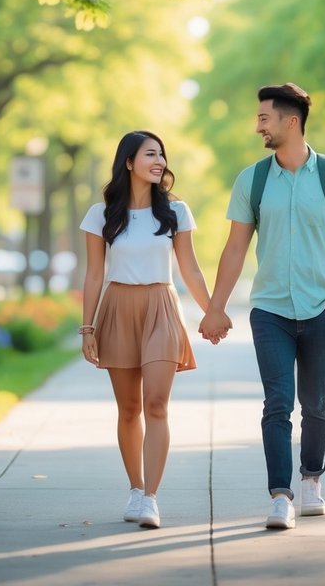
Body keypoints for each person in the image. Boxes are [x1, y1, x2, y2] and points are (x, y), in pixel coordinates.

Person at [199, 83, 325, 530]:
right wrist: (216, 307)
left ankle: (312, 480)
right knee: (277, 402)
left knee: (316, 402)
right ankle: (280, 495)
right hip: (269, 309)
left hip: (320, 308)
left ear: (291, 122)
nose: (258, 127)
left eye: (263, 119)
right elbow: (235, 249)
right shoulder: (252, 180)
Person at [80, 130, 212, 530]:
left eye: (161, 155)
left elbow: (189, 268)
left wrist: (213, 311)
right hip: (117, 307)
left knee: (156, 403)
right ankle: (135, 488)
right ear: (129, 162)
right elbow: (94, 274)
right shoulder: (101, 215)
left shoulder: (176, 212)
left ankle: (151, 497)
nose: (159, 161)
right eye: (150, 154)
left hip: (161, 307)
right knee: (129, 408)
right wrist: (87, 327)